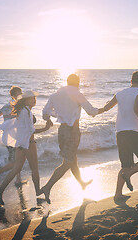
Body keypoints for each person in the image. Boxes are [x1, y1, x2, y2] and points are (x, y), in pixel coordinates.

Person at [40, 74, 101, 204]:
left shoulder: (55, 95)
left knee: (72, 159)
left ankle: (82, 183)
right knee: (68, 162)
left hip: (61, 131)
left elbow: (45, 113)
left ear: (67, 82)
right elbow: (91, 111)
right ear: (78, 83)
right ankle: (47, 187)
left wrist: (48, 120)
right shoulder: (77, 93)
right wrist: (102, 109)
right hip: (73, 131)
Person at [98, 71, 138, 203]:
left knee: (126, 165)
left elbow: (106, 107)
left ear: (131, 81)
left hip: (120, 132)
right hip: (134, 131)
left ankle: (118, 194)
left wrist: (95, 112)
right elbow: (137, 110)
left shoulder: (120, 93)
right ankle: (128, 174)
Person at [0, 91, 53, 205]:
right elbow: (30, 130)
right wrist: (46, 129)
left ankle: (0, 191)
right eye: (32, 98)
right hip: (28, 143)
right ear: (25, 100)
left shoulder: (24, 111)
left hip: (21, 144)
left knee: (16, 169)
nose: (34, 100)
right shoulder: (26, 112)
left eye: (35, 98)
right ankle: (38, 191)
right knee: (34, 169)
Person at [0, 86, 22, 186]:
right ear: (12, 95)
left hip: (9, 136)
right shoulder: (17, 107)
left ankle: (18, 180)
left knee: (17, 159)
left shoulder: (6, 106)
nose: (19, 95)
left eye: (20, 93)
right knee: (16, 161)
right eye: (17, 93)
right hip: (14, 137)